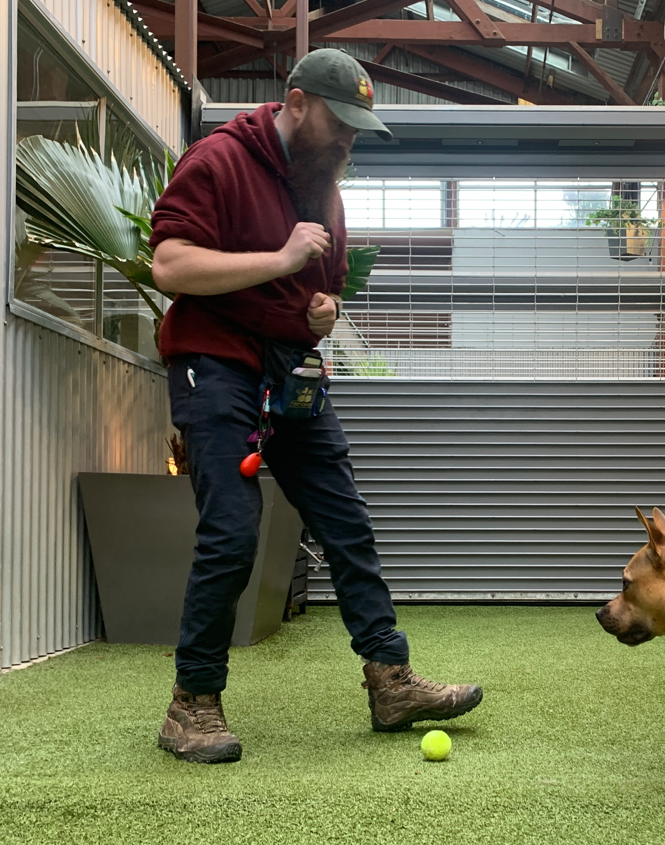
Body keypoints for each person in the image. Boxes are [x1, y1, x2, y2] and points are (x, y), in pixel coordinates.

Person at [149, 49, 482, 764]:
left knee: (346, 521)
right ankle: (191, 703)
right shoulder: (218, 161)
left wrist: (323, 309)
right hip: (213, 361)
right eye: (340, 124)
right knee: (233, 531)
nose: (347, 142)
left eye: (358, 132)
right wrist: (278, 257)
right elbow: (170, 264)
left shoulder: (323, 187)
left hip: (289, 371)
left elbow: (318, 291)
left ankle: (391, 680)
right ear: (297, 102)